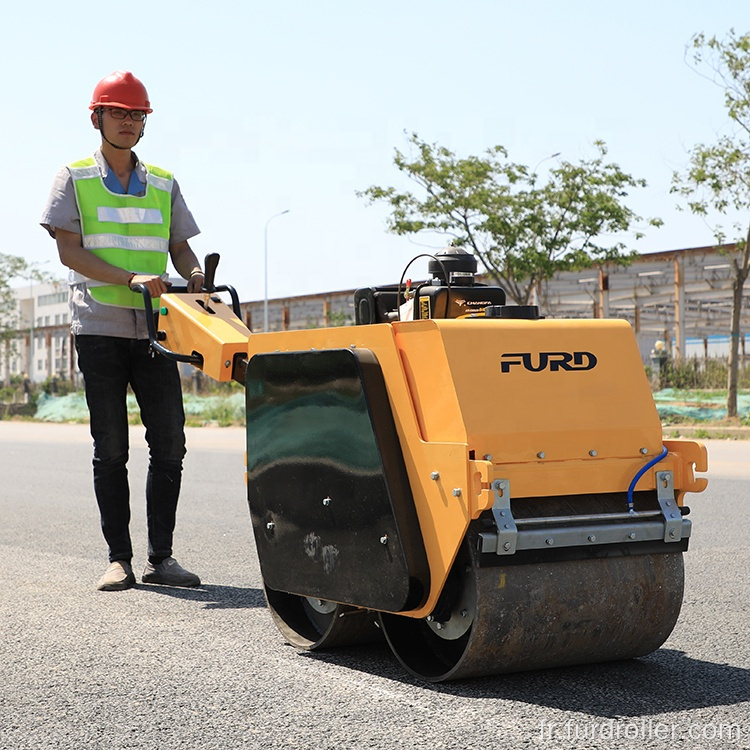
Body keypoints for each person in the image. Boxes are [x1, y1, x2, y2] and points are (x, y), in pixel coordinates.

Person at [40, 71, 204, 592]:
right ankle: (119, 559)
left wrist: (195, 273)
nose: (129, 123)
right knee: (111, 447)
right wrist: (131, 278)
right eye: (119, 113)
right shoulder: (74, 178)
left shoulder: (163, 182)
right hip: (100, 327)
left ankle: (162, 557)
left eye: (137, 116)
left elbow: (180, 247)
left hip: (156, 329)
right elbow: (70, 251)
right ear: (99, 118)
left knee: (171, 445)